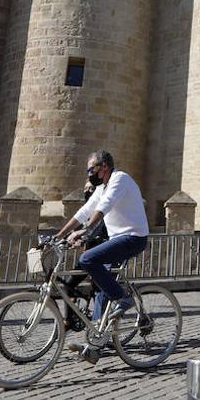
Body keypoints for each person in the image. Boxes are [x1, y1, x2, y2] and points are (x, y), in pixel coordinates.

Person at [52, 150, 150, 362]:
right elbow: (85, 211)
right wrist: (59, 235)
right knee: (100, 287)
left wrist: (85, 231)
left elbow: (103, 208)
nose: (89, 174)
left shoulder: (119, 179)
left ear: (104, 167)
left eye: (91, 169)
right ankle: (95, 344)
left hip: (133, 237)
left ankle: (123, 299)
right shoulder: (101, 187)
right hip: (116, 240)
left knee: (88, 260)